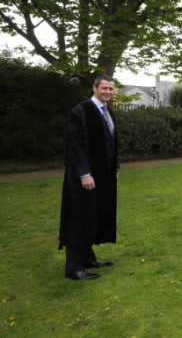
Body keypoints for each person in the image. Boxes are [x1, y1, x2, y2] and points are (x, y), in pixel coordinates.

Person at [59, 75, 119, 280]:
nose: (108, 92)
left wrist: (114, 170)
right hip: (83, 177)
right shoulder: (81, 111)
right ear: (94, 88)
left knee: (94, 216)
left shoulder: (107, 111)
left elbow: (110, 144)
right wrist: (84, 173)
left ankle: (88, 258)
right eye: (104, 88)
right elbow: (73, 145)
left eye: (111, 89)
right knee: (79, 218)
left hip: (102, 176)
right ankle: (74, 267)